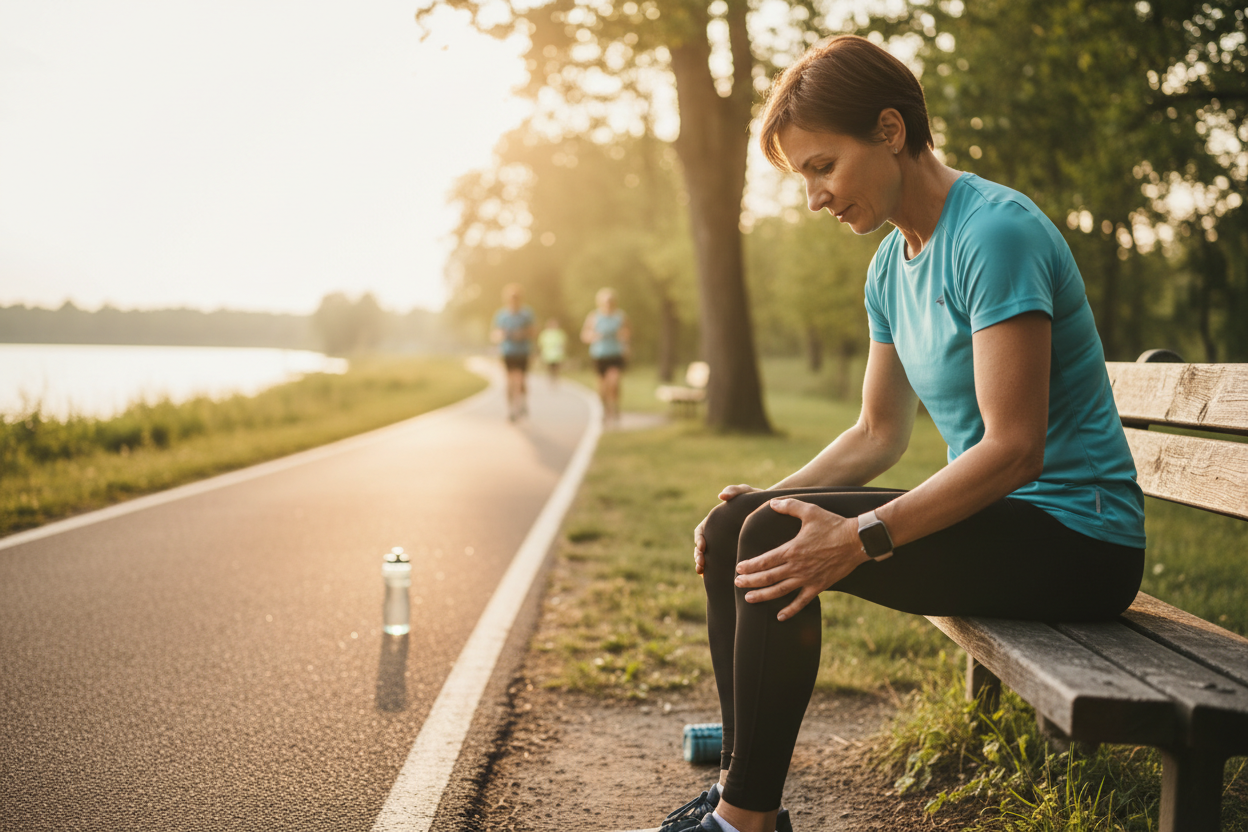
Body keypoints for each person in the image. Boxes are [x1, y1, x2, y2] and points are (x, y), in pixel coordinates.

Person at [657, 35, 1146, 832]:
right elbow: (877, 432)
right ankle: (739, 799)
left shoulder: (996, 234)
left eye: (822, 167)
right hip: (1014, 527)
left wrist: (862, 536)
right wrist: (772, 496)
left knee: (761, 542)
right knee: (739, 525)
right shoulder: (891, 264)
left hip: (1080, 541)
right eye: (802, 178)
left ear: (889, 131)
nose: (814, 197)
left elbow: (1016, 449)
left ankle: (742, 821)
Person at [581, 288, 630, 425]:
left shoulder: (620, 316)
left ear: (614, 302)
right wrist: (594, 336)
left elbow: (627, 333)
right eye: (606, 301)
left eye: (611, 301)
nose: (608, 303)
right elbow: (584, 335)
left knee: (614, 382)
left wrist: (624, 339)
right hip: (599, 355)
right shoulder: (594, 316)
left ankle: (615, 407)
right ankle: (604, 408)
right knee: (602, 387)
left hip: (615, 354)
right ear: (600, 303)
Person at [490, 283, 535, 421]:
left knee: (520, 380)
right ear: (507, 299)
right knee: (509, 382)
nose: (514, 300)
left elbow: (533, 331)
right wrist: (501, 335)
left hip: (523, 352)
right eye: (511, 298)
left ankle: (521, 402)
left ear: (520, 299)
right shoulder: (501, 315)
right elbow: (494, 334)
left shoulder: (526, 314)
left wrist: (521, 334)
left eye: (516, 297)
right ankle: (511, 410)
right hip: (508, 352)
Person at [538, 318, 568, 384]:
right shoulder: (545, 333)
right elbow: (541, 343)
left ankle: (555, 377)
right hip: (548, 354)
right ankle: (550, 377)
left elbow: (563, 343)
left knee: (556, 366)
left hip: (557, 354)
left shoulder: (559, 333)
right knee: (549, 367)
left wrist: (563, 350)